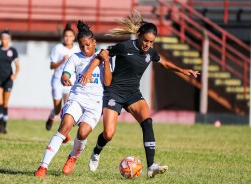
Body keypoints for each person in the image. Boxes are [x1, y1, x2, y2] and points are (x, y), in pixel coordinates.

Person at [80, 11, 200, 178]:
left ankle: (151, 166)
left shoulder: (150, 53)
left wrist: (183, 71)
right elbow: (103, 55)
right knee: (108, 133)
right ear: (138, 35)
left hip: (133, 93)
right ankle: (96, 151)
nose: (147, 45)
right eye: (145, 40)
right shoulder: (125, 47)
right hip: (114, 92)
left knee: (147, 121)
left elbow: (164, 63)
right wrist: (89, 71)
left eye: (151, 42)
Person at [34, 20, 112, 177]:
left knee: (82, 133)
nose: (85, 48)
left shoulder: (103, 58)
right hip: (77, 97)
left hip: (95, 103)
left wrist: (106, 61)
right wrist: (65, 78)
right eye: (82, 46)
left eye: (88, 45)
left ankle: (73, 157)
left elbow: (108, 82)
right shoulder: (75, 58)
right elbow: (66, 73)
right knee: (65, 126)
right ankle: (43, 167)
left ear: (94, 42)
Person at [45, 23, 80, 131]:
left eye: (70, 36)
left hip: (70, 81)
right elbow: (52, 66)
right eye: (66, 36)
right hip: (57, 81)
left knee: (67, 107)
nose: (68, 38)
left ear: (74, 37)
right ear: (62, 37)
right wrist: (62, 61)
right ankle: (51, 116)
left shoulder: (77, 49)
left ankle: (64, 131)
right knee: (57, 109)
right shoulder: (58, 48)